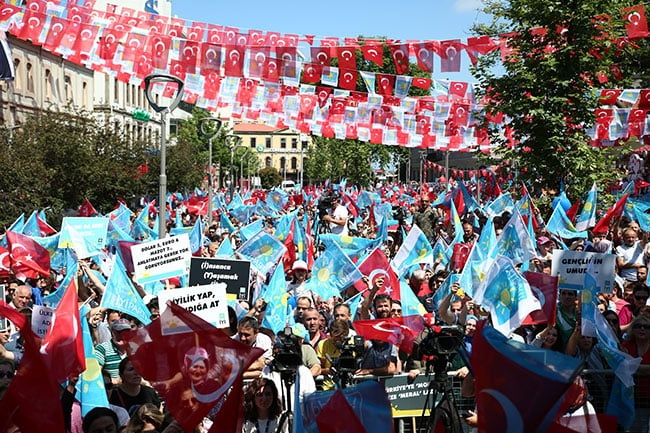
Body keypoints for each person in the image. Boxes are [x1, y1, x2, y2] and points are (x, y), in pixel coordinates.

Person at [622, 315, 650, 432]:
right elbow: (623, 366)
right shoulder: (625, 346)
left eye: (646, 327)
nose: (642, 329)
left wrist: (634, 366)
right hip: (632, 397)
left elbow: (629, 366)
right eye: (638, 326)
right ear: (632, 329)